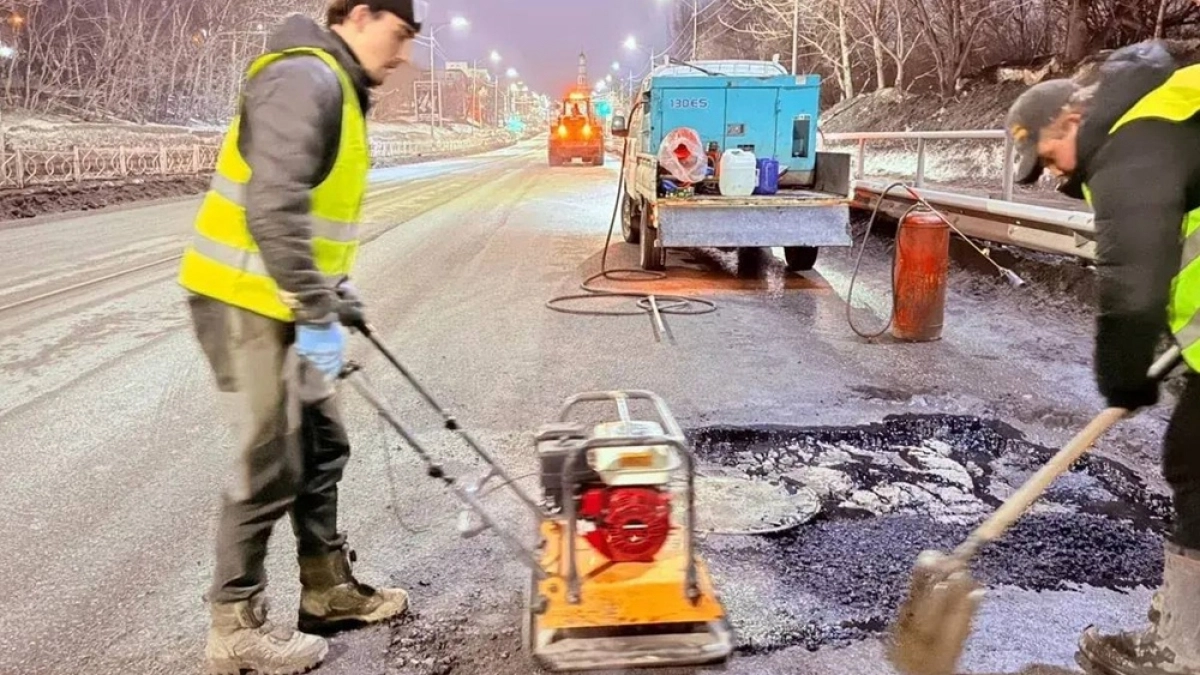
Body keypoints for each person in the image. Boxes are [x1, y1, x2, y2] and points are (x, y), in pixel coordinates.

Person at [176, 1, 426, 672]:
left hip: (279, 298)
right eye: (398, 34)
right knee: (270, 456)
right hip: (239, 299)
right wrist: (315, 310)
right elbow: (272, 205)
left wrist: (330, 292)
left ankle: (327, 589)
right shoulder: (305, 78)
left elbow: (308, 212)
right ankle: (235, 625)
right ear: (361, 14)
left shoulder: (335, 84)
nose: (402, 54)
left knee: (321, 444)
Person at [1005, 40, 1199, 675]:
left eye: (1049, 156)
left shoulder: (1131, 138)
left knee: (1195, 465)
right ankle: (1182, 626)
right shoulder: (1151, 117)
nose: (1055, 173)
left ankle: (1181, 648)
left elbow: (1134, 274)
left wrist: (1122, 366)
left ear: (1070, 120)